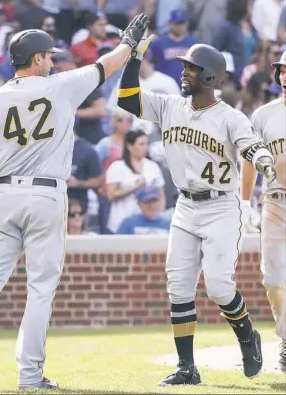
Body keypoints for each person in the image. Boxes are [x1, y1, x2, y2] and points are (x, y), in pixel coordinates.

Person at [0, 15, 150, 391]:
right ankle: (29, 374)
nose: (52, 61)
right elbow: (108, 65)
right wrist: (129, 42)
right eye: (47, 56)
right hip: (45, 194)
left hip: (3, 196)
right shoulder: (61, 86)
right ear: (35, 59)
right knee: (40, 287)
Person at [117, 40, 277, 385]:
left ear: (208, 77)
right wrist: (134, 56)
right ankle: (187, 368)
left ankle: (248, 335)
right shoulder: (169, 105)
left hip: (220, 205)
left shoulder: (229, 116)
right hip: (186, 206)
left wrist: (263, 160)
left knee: (219, 287)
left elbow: (252, 145)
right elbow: (126, 98)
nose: (183, 71)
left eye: (190, 67)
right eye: (184, 66)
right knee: (178, 286)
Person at [240, 49, 286, 374]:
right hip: (275, 200)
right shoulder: (264, 114)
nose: (285, 77)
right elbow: (249, 160)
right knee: (272, 278)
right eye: (282, 71)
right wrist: (244, 202)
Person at [105, 129, 165, 234]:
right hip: (121, 220)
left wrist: (159, 214)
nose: (145, 147)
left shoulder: (152, 166)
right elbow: (111, 194)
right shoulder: (117, 166)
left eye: (146, 144)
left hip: (147, 225)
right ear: (129, 146)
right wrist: (135, 186)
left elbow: (161, 195)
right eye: (141, 144)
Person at [149, 8, 198, 88]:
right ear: (170, 24)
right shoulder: (157, 43)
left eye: (182, 23)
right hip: (164, 88)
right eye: (176, 23)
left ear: (187, 24)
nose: (179, 26)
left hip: (187, 87)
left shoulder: (194, 44)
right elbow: (151, 65)